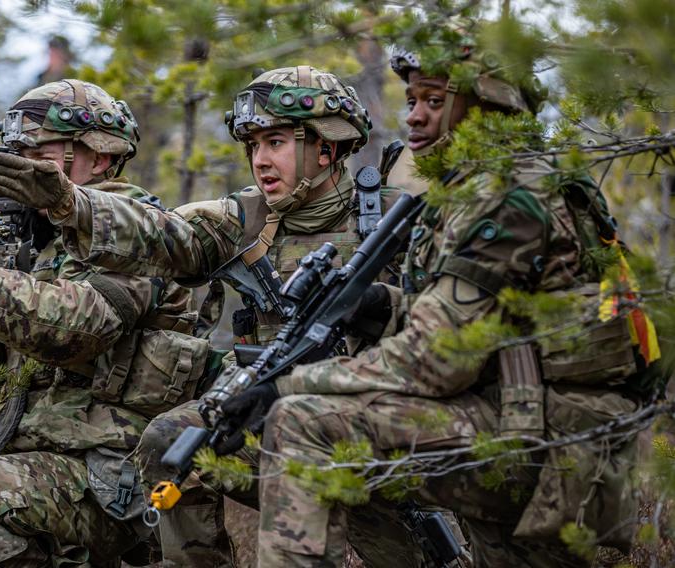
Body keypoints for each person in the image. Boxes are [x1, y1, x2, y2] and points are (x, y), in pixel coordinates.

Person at [217, 26, 661, 568]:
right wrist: (385, 305)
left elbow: (436, 361)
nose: (414, 118)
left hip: (547, 441)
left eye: (434, 101)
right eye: (410, 101)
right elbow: (481, 326)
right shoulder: (477, 192)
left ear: (485, 106)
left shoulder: (511, 198)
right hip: (527, 420)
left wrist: (281, 385)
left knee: (304, 420)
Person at [0, 65, 468, 567]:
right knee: (172, 440)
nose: (260, 160)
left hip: (377, 435)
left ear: (327, 147)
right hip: (275, 421)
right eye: (253, 145)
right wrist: (75, 205)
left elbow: (452, 335)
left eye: (277, 142)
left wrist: (378, 308)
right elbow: (161, 233)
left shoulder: (401, 222)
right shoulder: (243, 219)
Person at [0, 79, 212, 568]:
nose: (21, 166)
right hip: (33, 459)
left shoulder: (139, 233)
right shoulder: (34, 237)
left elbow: (80, 331)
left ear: (98, 157)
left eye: (37, 152)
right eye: (14, 152)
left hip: (112, 475)